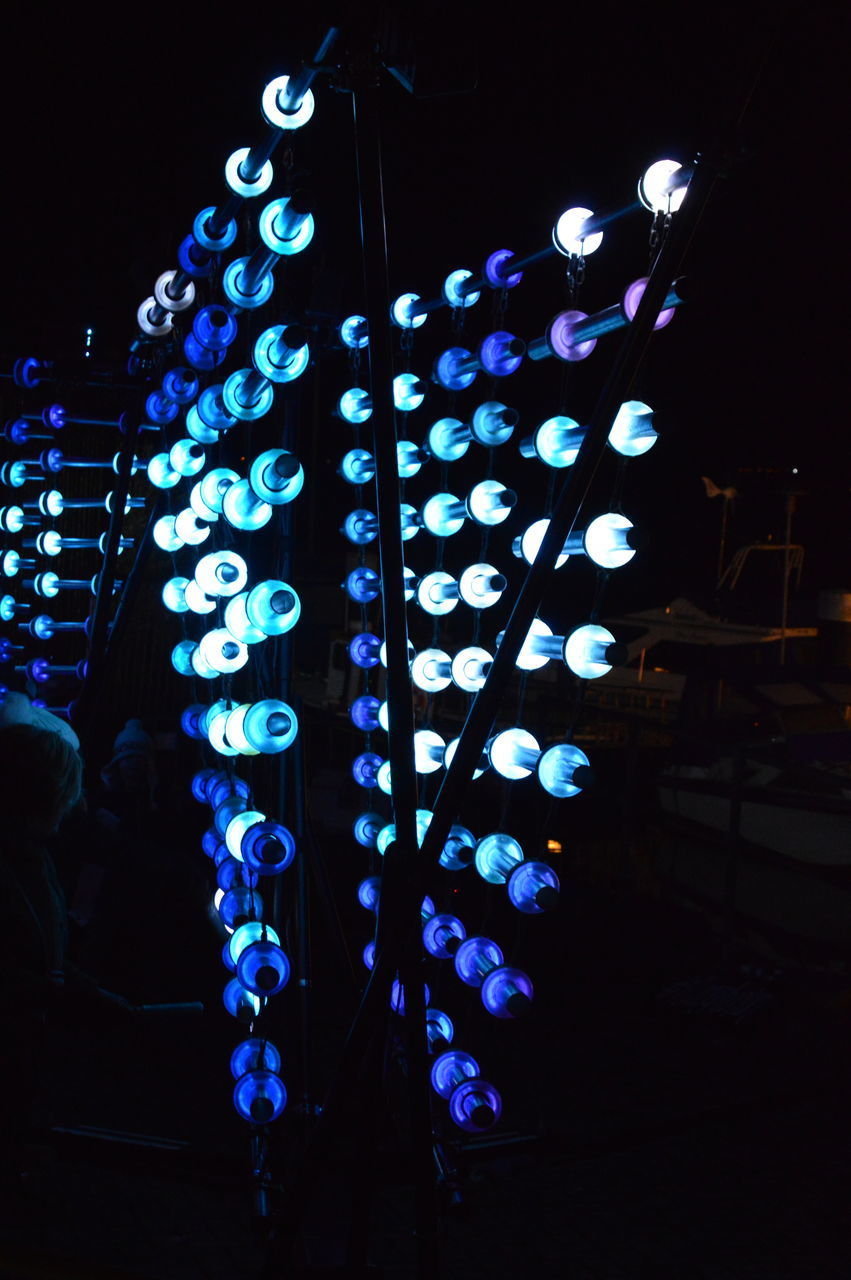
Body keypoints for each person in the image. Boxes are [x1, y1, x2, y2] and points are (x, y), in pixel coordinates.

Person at [0, 703, 136, 1178]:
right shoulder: (20, 862)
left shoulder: (33, 859)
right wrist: (71, 994)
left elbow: (38, 951)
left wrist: (80, 988)